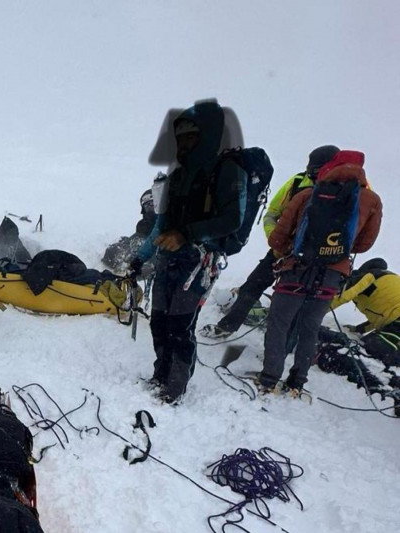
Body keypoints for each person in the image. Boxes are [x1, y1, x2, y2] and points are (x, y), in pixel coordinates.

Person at [129, 101, 247, 404]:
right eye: (179, 136)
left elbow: (232, 219)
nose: (183, 142)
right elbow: (161, 224)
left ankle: (175, 387)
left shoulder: (227, 170)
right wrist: (141, 257)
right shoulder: (180, 173)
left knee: (180, 326)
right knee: (159, 322)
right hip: (169, 261)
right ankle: (161, 374)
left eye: (191, 135)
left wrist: (186, 234)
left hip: (198, 262)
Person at [256, 150, 382, 394]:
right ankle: (297, 382)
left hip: (297, 268)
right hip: (332, 275)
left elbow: (278, 237)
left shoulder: (309, 194)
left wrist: (289, 251)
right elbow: (365, 244)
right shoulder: (371, 201)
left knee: (280, 323)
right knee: (310, 327)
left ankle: (269, 378)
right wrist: (337, 252)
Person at [201, 145, 340, 338]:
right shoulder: (298, 181)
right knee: (253, 285)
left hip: (318, 260)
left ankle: (287, 346)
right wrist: (277, 241)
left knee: (297, 301)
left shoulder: (353, 190)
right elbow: (272, 214)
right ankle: (228, 326)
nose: (313, 175)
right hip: (283, 251)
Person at [329, 257, 400, 367]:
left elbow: (344, 296)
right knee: (373, 344)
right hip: (394, 322)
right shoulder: (389, 280)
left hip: (396, 322)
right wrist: (359, 329)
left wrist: (315, 312)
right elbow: (382, 316)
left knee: (374, 347)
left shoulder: (370, 275)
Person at [102, 187, 156, 277]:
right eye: (147, 205)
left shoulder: (166, 224)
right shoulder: (142, 227)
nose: (150, 208)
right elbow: (132, 242)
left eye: (153, 204)